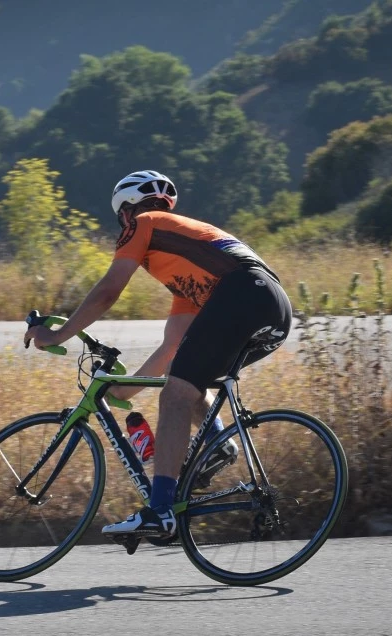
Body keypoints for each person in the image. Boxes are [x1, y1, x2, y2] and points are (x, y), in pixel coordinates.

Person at [23, 170, 292, 539]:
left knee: (176, 394)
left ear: (125, 212)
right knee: (186, 377)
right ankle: (215, 445)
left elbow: (108, 291)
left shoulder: (144, 222)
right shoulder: (188, 263)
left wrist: (55, 333)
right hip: (273, 307)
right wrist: (121, 393)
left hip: (242, 295)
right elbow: (171, 348)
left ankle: (160, 510)